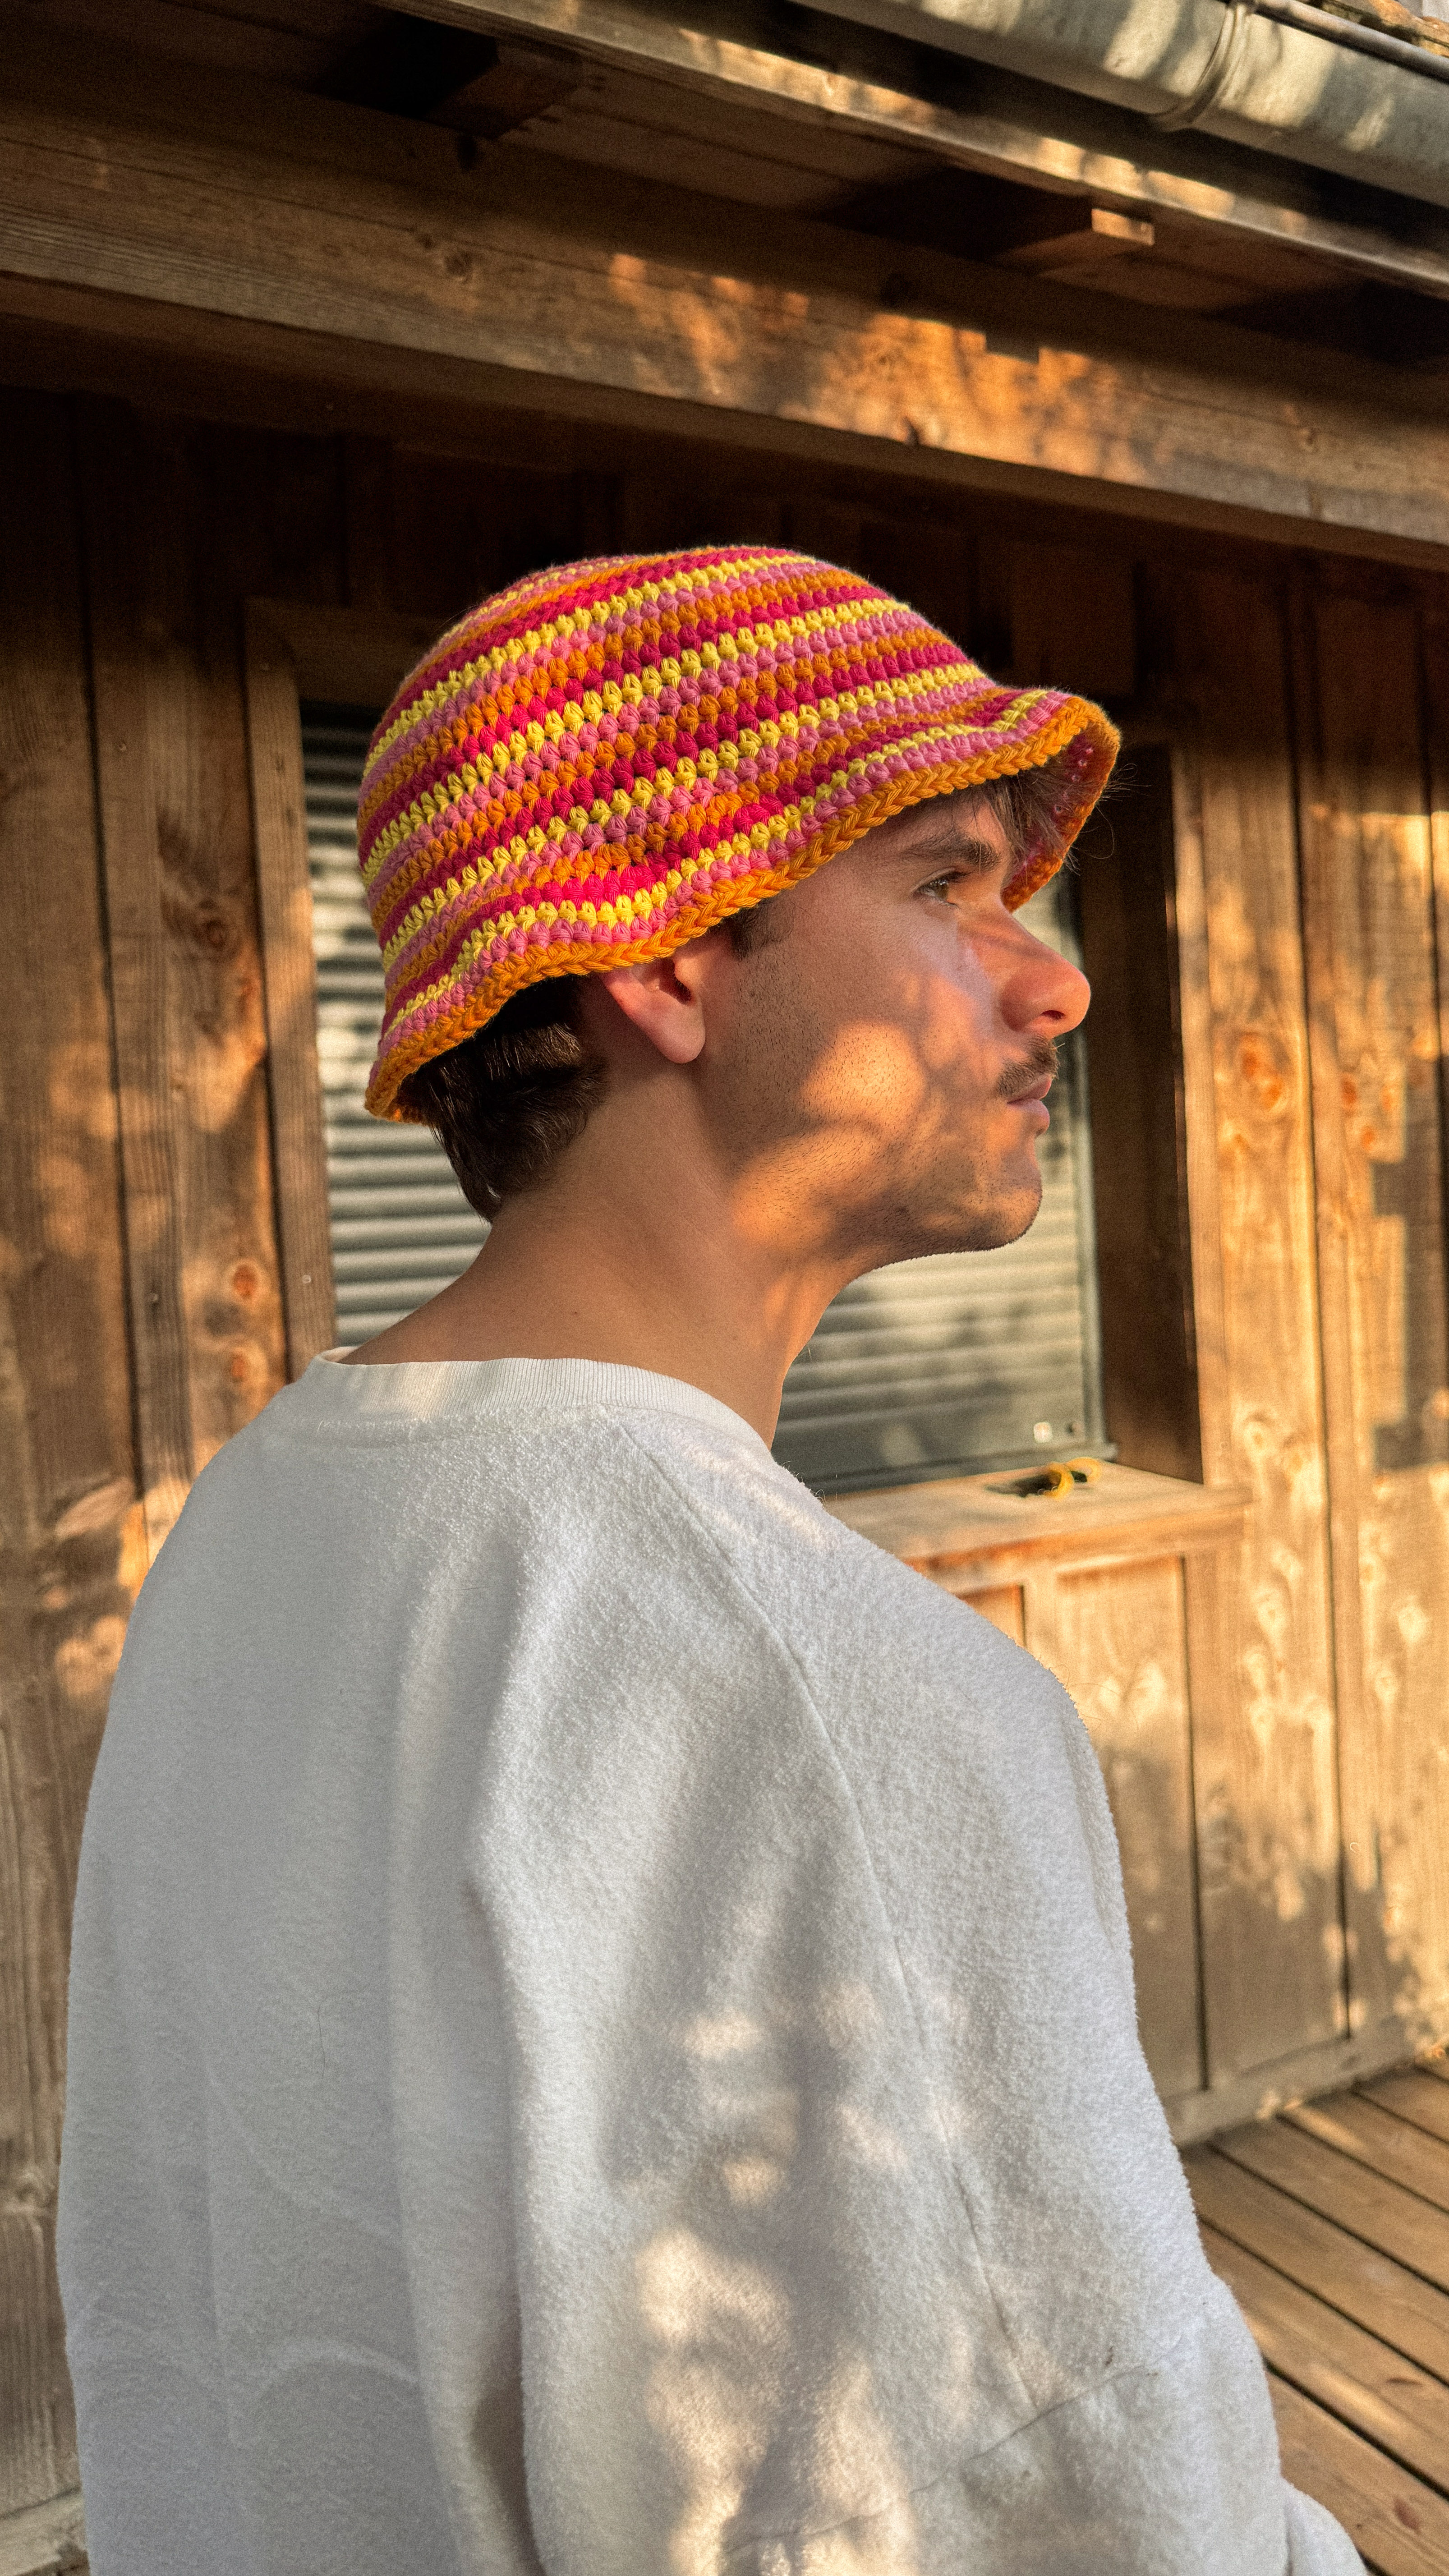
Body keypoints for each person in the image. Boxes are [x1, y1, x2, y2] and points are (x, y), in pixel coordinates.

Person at [58, 545, 1361, 2574]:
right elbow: (1078, 2515)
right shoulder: (826, 1692)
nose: (1055, 974)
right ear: (662, 963)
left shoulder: (260, 1529)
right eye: (944, 885)